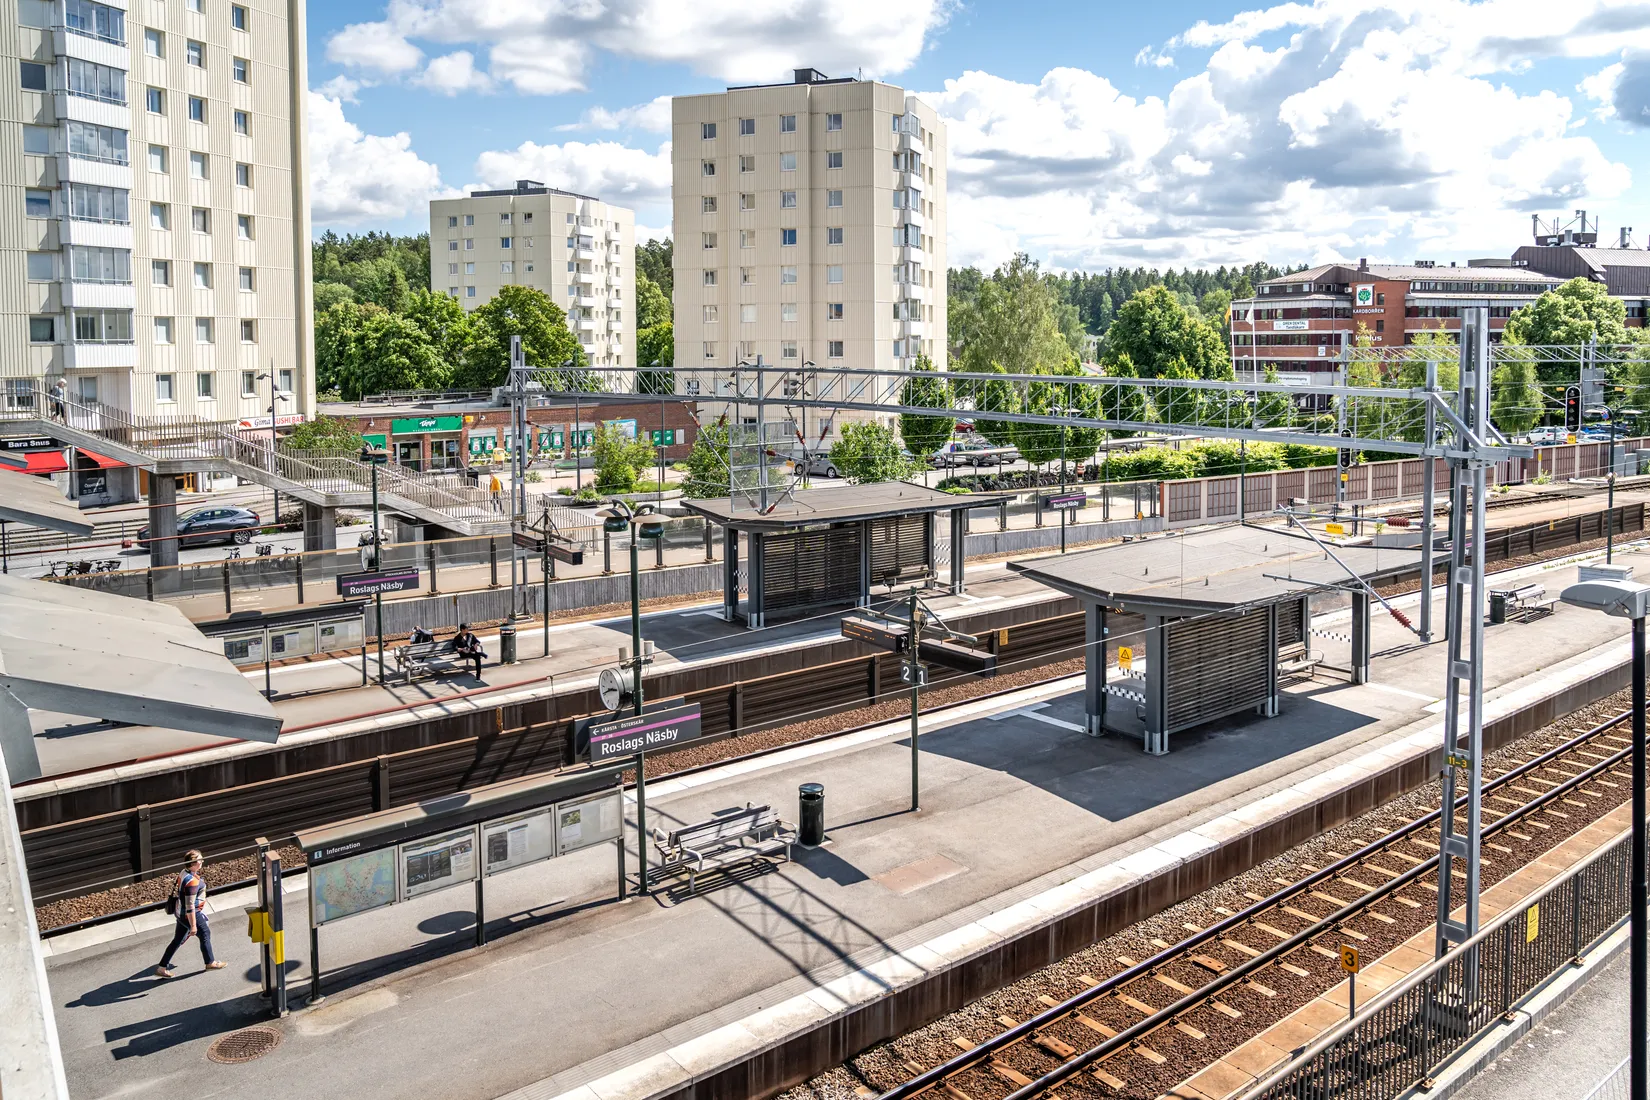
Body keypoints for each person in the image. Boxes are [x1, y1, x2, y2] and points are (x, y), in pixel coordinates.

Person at [156, 850, 227, 978]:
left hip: (180, 913)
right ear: (194, 863)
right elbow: (190, 906)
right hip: (189, 914)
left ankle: (162, 967)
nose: (202, 862)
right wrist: (193, 925)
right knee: (205, 933)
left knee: (177, 940)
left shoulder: (184, 872)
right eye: (200, 860)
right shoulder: (192, 882)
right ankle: (210, 962)